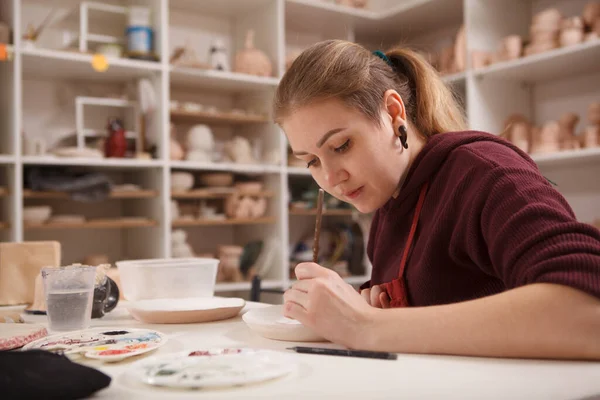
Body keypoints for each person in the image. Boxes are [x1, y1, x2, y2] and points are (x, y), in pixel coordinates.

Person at [273, 39, 600, 360]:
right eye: (311, 161)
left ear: (392, 112)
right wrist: (377, 309)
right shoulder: (389, 202)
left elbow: (588, 309)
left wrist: (367, 325)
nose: (330, 178)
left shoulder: (486, 174)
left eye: (341, 145)